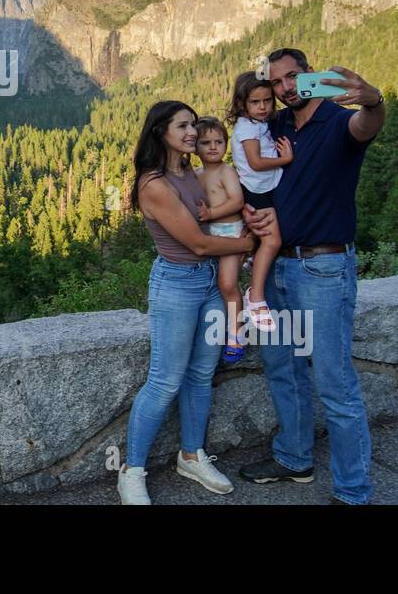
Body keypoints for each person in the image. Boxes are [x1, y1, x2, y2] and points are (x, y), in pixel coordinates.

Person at [236, 49, 385, 505]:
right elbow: (251, 173)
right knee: (282, 367)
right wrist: (244, 206)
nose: (285, 88)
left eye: (294, 77)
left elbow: (369, 124)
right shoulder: (275, 126)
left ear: (311, 75)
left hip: (323, 268)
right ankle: (294, 459)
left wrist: (373, 99)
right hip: (276, 266)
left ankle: (353, 491)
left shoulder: (340, 123)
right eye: (277, 82)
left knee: (334, 382)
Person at [118, 101, 256, 505]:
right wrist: (247, 243)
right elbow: (196, 242)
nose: (193, 132)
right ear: (161, 131)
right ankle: (132, 471)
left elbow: (217, 214)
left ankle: (192, 455)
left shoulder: (194, 173)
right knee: (164, 381)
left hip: (211, 283)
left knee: (201, 373)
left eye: (195, 125)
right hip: (176, 285)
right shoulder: (154, 183)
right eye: (183, 126)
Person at [226, 71, 291, 334]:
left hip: (264, 188)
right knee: (272, 240)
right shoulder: (246, 128)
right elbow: (256, 162)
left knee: (268, 239)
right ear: (242, 104)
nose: (263, 107)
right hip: (256, 191)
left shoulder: (258, 123)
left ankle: (254, 262)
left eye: (267, 101)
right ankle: (256, 298)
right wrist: (285, 160)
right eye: (255, 102)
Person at [192, 117, 250, 363]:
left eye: (219, 141)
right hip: (208, 235)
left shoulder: (226, 172)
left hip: (229, 233)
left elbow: (237, 201)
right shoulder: (196, 174)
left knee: (227, 284)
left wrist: (211, 214)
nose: (213, 147)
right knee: (210, 286)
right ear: (195, 147)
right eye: (206, 142)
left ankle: (236, 334)